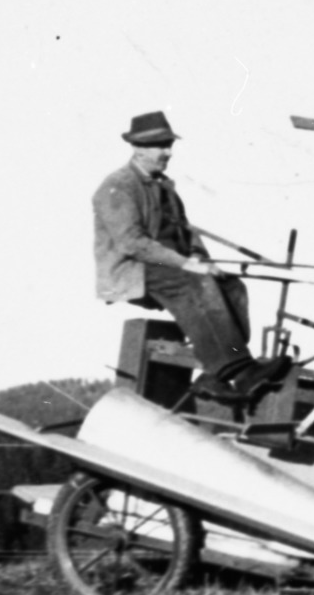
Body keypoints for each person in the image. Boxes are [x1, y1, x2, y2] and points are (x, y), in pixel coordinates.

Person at [92, 111, 289, 402]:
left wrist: (201, 260)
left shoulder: (165, 188)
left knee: (232, 287)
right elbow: (132, 244)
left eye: (169, 145)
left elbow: (187, 233)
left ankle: (218, 373)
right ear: (137, 148)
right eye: (161, 146)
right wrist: (186, 264)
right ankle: (239, 370)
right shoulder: (117, 186)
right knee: (191, 281)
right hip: (133, 270)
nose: (168, 152)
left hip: (170, 266)